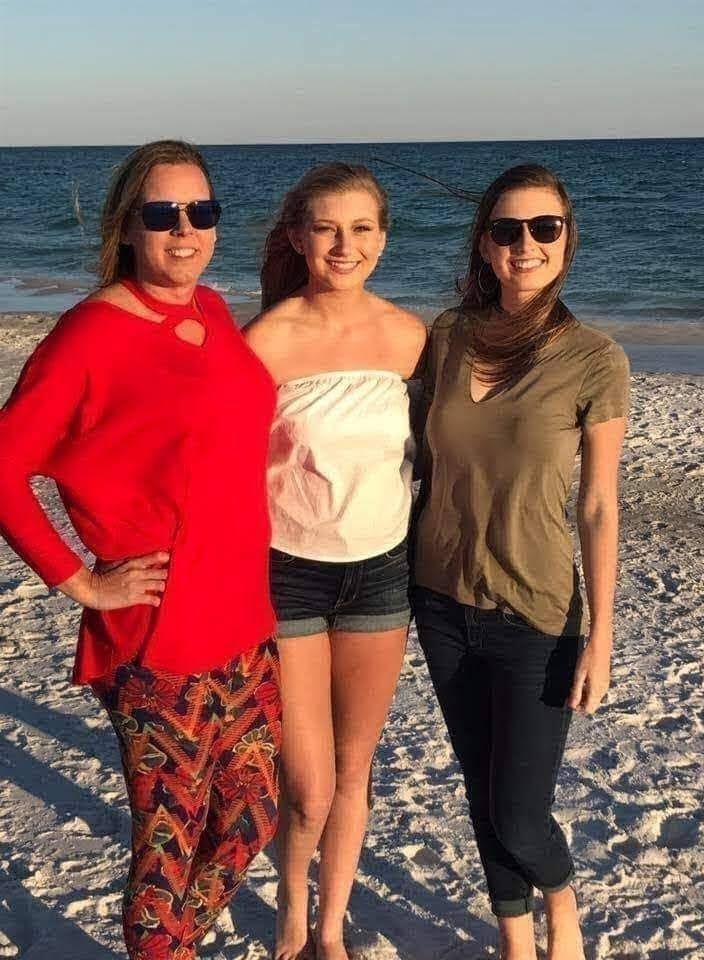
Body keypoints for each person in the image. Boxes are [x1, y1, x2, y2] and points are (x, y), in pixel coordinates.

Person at [0, 140, 281, 960]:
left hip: (243, 618)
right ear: (128, 226)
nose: (185, 230)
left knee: (256, 810)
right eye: (162, 214)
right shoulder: (90, 334)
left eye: (203, 211)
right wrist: (79, 581)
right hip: (158, 639)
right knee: (168, 845)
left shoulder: (216, 314)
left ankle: (173, 944)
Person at [411, 164, 629, 960]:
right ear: (485, 244)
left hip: (538, 614)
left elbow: (599, 504)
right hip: (438, 602)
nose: (525, 245)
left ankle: (561, 908)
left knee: (519, 813)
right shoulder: (445, 336)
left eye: (544, 228)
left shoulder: (594, 358)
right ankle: (514, 937)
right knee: (479, 790)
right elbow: (407, 456)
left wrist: (602, 636)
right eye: (507, 230)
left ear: (568, 241)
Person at [244, 162, 427, 960]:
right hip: (289, 573)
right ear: (297, 237)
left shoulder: (411, 337)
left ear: (383, 239)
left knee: (356, 772)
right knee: (309, 787)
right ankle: (290, 908)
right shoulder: (267, 340)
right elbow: (223, 467)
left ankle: (328, 929)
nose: (343, 245)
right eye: (326, 228)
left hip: (382, 573)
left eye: (361, 229)